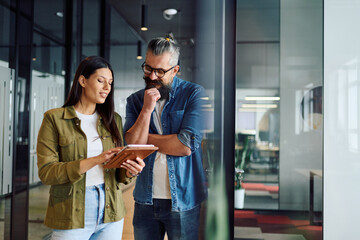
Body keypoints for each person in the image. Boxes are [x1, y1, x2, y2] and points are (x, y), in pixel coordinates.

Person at [36, 56, 145, 240]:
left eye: (110, 83)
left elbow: (117, 174)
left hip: (111, 210)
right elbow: (47, 172)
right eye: (101, 81)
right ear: (83, 80)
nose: (107, 88)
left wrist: (130, 172)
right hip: (71, 211)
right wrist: (96, 160)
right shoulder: (54, 119)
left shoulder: (113, 120)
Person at [124, 34, 207, 240]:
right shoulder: (135, 101)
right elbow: (132, 146)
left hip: (184, 198)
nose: (152, 77)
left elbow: (185, 146)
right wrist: (146, 109)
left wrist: (145, 140)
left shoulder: (193, 94)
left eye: (160, 71)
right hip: (145, 198)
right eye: (148, 68)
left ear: (175, 70)